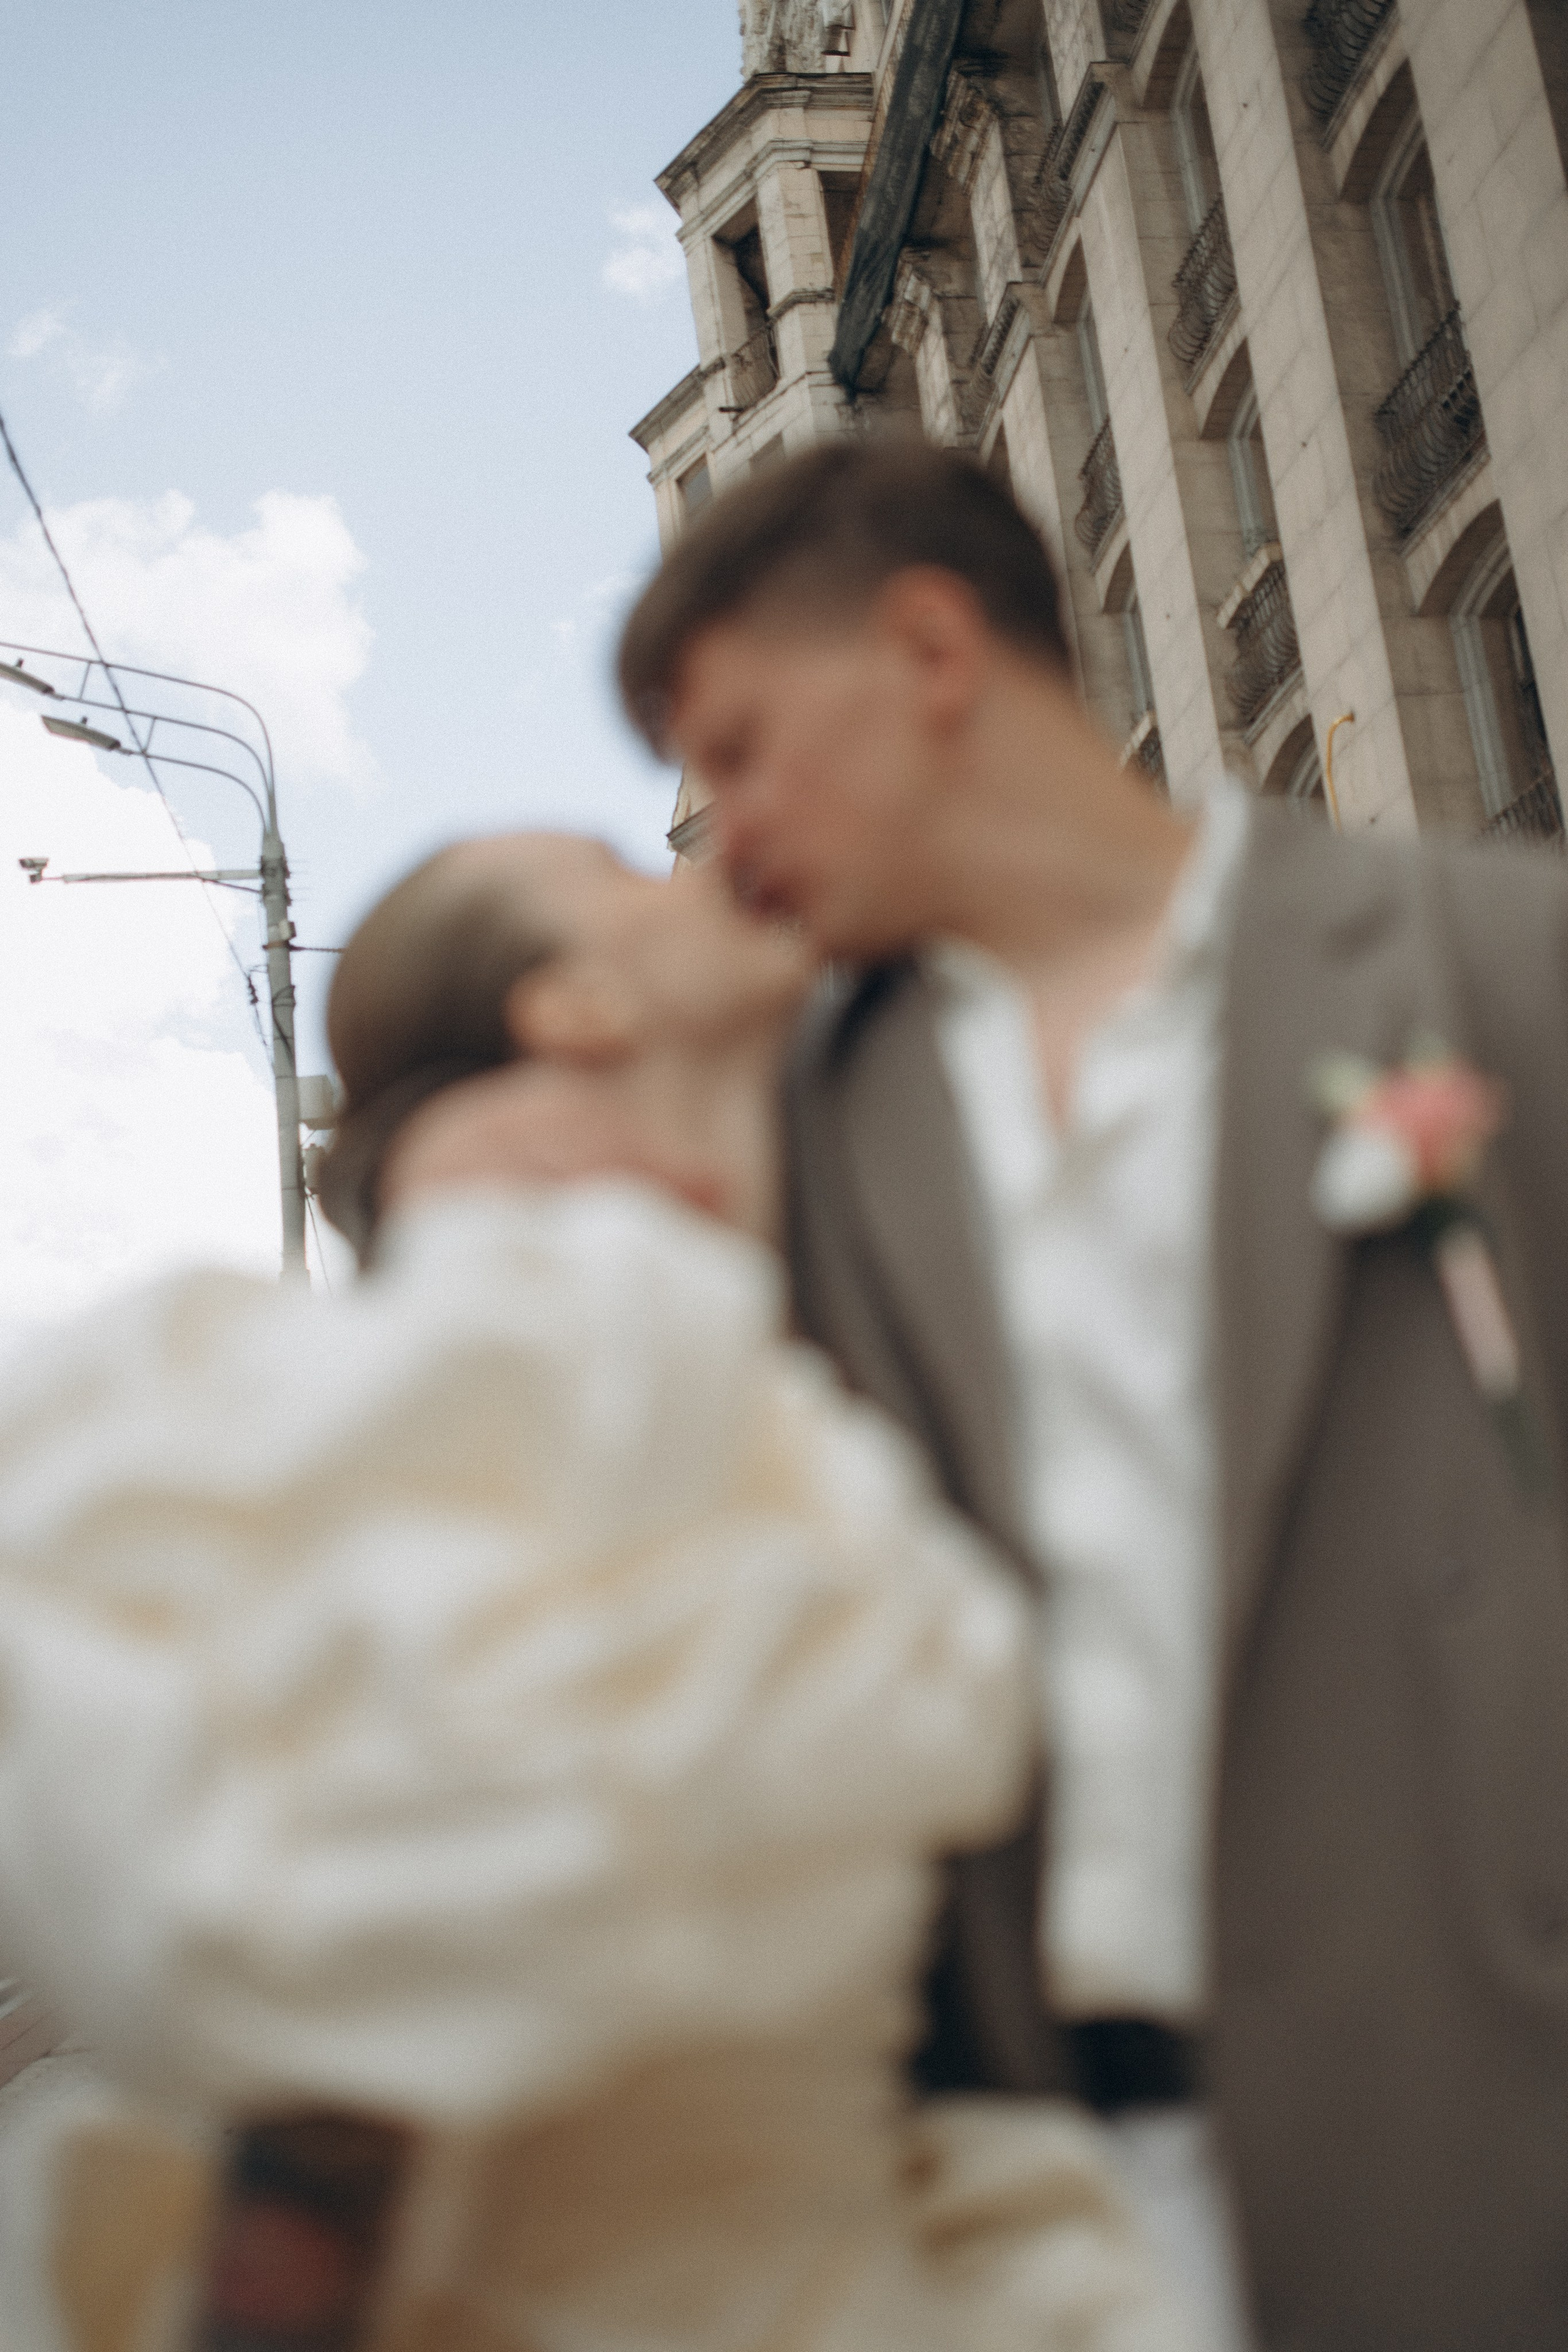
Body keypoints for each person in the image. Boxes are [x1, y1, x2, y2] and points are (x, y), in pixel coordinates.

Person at [597, 437, 1568, 2352]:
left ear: (929, 651)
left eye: (737, 748)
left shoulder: (1494, 953)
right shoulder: (801, 1109)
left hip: (1492, 2122)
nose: (725, 826)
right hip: (1021, 2197)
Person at [0, 835, 1191, 2352]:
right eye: (632, 874)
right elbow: (346, 1996)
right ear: (573, 1009)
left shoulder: (711, 1357)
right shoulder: (545, 1360)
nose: (710, 872)